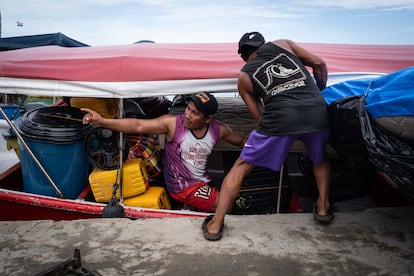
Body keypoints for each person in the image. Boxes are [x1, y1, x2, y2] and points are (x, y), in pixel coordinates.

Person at [202, 32, 332, 241]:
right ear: (263, 44)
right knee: (319, 158)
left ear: (243, 56)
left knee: (241, 166)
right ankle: (323, 208)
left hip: (280, 118)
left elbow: (259, 117)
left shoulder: (244, 77)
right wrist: (317, 93)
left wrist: (279, 131)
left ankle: (215, 225)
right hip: (317, 110)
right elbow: (319, 63)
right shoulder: (283, 44)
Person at [82, 92, 247, 213]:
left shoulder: (219, 130)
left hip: (203, 181)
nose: (188, 115)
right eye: (188, 109)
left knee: (235, 193)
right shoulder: (172, 124)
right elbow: (138, 125)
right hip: (182, 187)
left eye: (194, 113)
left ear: (208, 119)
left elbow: (241, 141)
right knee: (225, 204)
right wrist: (103, 121)